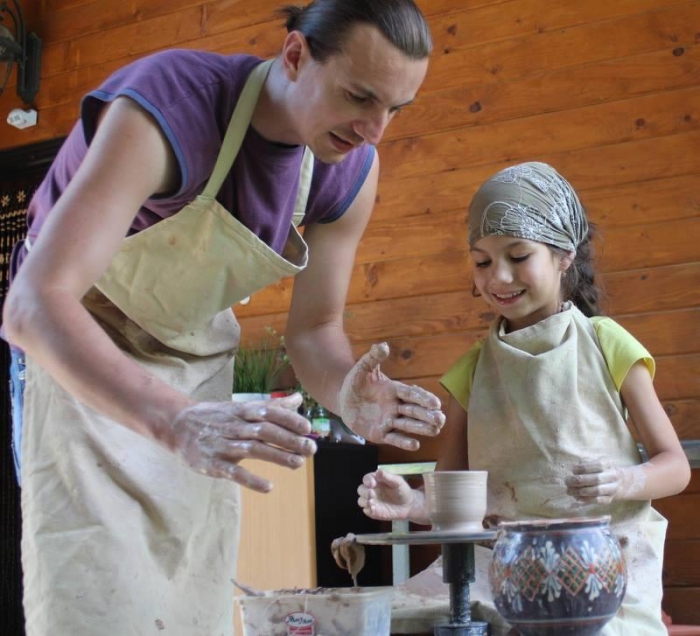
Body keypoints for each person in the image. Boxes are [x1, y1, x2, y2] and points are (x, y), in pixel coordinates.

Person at [2, 1, 447, 634]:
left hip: (193, 372)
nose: (374, 130)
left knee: (189, 605)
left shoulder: (349, 169)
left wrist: (347, 389)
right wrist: (175, 422)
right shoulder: (167, 109)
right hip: (78, 359)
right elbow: (33, 305)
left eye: (394, 111)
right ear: (294, 56)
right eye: (358, 97)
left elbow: (315, 332)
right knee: (94, 602)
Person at [356, 161, 691, 635]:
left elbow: (674, 466)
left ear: (564, 256)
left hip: (603, 560)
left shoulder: (607, 343)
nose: (499, 277)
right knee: (386, 622)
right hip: (500, 565)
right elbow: (455, 494)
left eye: (518, 255)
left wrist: (622, 480)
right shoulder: (471, 369)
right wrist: (412, 504)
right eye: (483, 261)